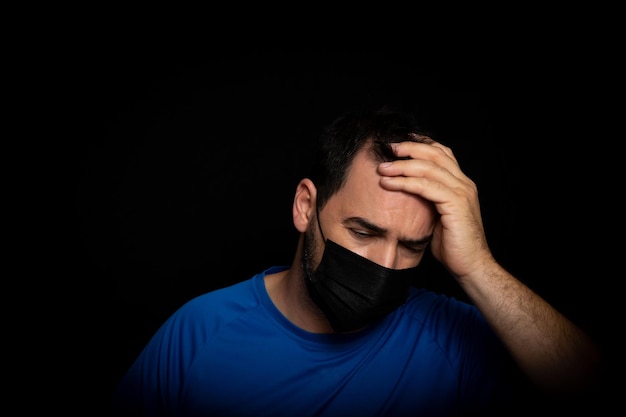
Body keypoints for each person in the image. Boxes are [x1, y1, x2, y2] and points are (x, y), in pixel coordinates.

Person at [111, 107, 602, 416]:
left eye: (410, 247)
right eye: (364, 232)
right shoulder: (199, 332)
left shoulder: (450, 338)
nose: (385, 264)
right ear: (307, 207)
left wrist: (478, 267)